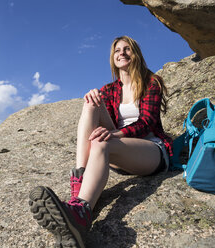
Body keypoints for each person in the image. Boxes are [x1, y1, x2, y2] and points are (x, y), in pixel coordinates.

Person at [29, 36, 173, 248]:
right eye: (117, 50)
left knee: (102, 143)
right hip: (119, 151)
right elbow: (102, 122)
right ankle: (79, 182)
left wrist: (115, 135)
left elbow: (148, 122)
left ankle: (81, 213)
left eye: (127, 49)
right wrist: (97, 105)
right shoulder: (109, 89)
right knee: (90, 103)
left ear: (136, 54)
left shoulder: (152, 81)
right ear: (112, 58)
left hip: (150, 151)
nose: (121, 53)